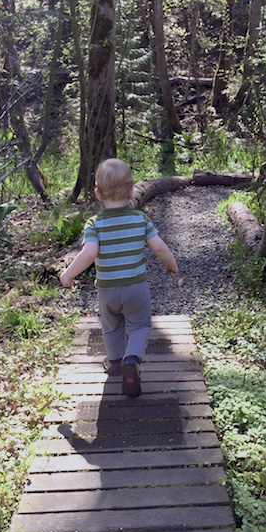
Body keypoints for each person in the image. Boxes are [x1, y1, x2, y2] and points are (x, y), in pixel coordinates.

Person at [60, 158, 179, 397]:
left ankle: (115, 362)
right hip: (136, 288)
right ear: (132, 191)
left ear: (97, 194)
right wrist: (171, 264)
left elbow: (89, 253)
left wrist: (68, 274)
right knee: (140, 325)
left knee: (111, 326)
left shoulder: (94, 224)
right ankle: (132, 359)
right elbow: (158, 247)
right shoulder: (140, 219)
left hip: (107, 290)